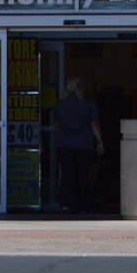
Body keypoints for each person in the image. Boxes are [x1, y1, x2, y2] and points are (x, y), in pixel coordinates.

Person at [54, 76, 103, 212]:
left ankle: (66, 204)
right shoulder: (88, 104)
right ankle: (82, 204)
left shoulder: (61, 104)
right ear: (81, 88)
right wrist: (100, 141)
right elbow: (94, 124)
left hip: (64, 144)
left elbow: (57, 123)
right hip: (83, 144)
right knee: (83, 175)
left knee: (67, 175)